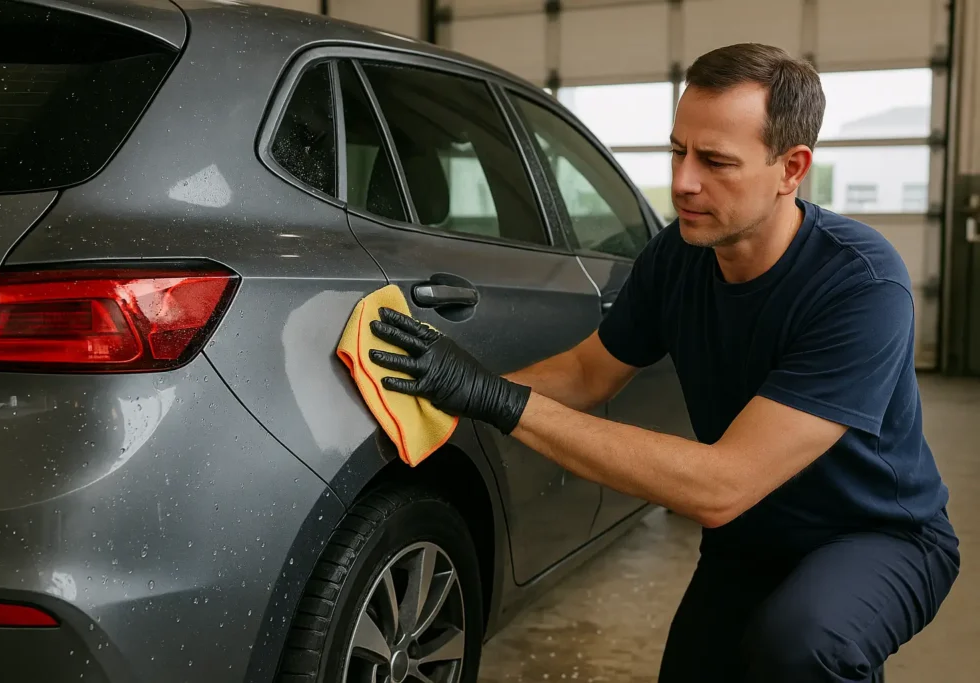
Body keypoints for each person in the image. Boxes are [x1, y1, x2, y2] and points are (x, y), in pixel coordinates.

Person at [366, 43, 960, 682]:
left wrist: (500, 402)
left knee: (803, 646)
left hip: (875, 536)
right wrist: (460, 389)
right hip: (752, 538)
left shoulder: (861, 284)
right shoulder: (677, 257)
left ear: (791, 168)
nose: (683, 183)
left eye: (715, 161)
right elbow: (589, 373)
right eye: (679, 152)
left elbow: (722, 485)